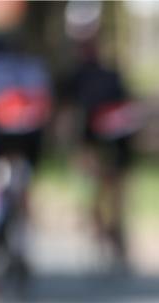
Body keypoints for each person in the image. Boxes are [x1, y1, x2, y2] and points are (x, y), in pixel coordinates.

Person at [0, 30, 52, 293]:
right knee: (25, 188)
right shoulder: (35, 66)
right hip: (32, 136)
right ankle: (24, 239)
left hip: (2, 135)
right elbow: (48, 103)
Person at [61, 37, 139, 273]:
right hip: (106, 140)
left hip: (106, 140)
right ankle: (109, 230)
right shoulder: (105, 76)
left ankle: (109, 230)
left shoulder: (85, 78)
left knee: (101, 188)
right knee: (106, 188)